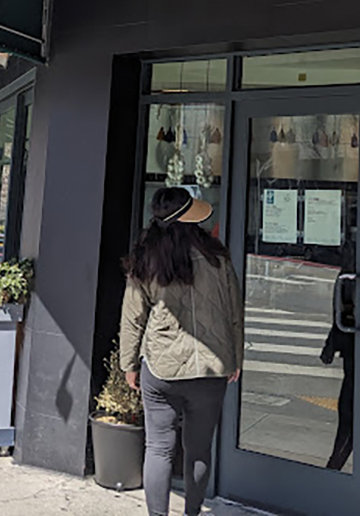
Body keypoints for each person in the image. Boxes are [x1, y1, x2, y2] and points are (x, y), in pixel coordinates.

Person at [120, 187, 243, 516]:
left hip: (161, 366)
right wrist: (236, 359)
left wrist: (129, 364)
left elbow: (133, 317)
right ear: (191, 218)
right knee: (199, 450)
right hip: (212, 369)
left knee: (159, 449)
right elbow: (235, 312)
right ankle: (192, 512)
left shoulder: (146, 258)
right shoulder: (217, 256)